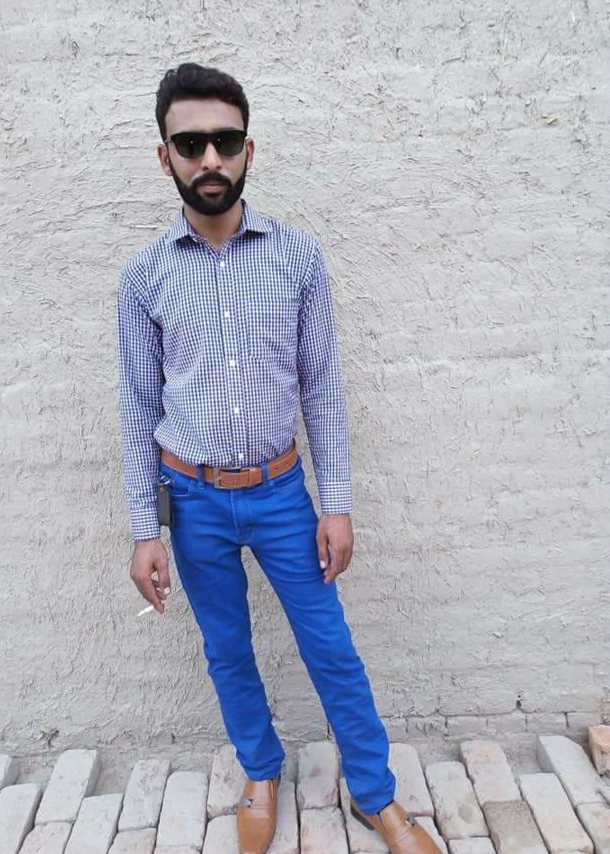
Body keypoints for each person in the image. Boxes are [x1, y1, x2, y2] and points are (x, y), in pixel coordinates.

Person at [116, 61, 441, 854]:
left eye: (225, 141)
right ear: (164, 156)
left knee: (329, 647)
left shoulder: (297, 258)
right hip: (191, 499)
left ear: (249, 150)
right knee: (227, 650)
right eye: (190, 144)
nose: (210, 159)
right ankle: (261, 773)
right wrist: (144, 528)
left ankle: (375, 794)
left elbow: (323, 390)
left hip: (280, 493)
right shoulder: (143, 277)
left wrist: (337, 505)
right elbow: (137, 407)